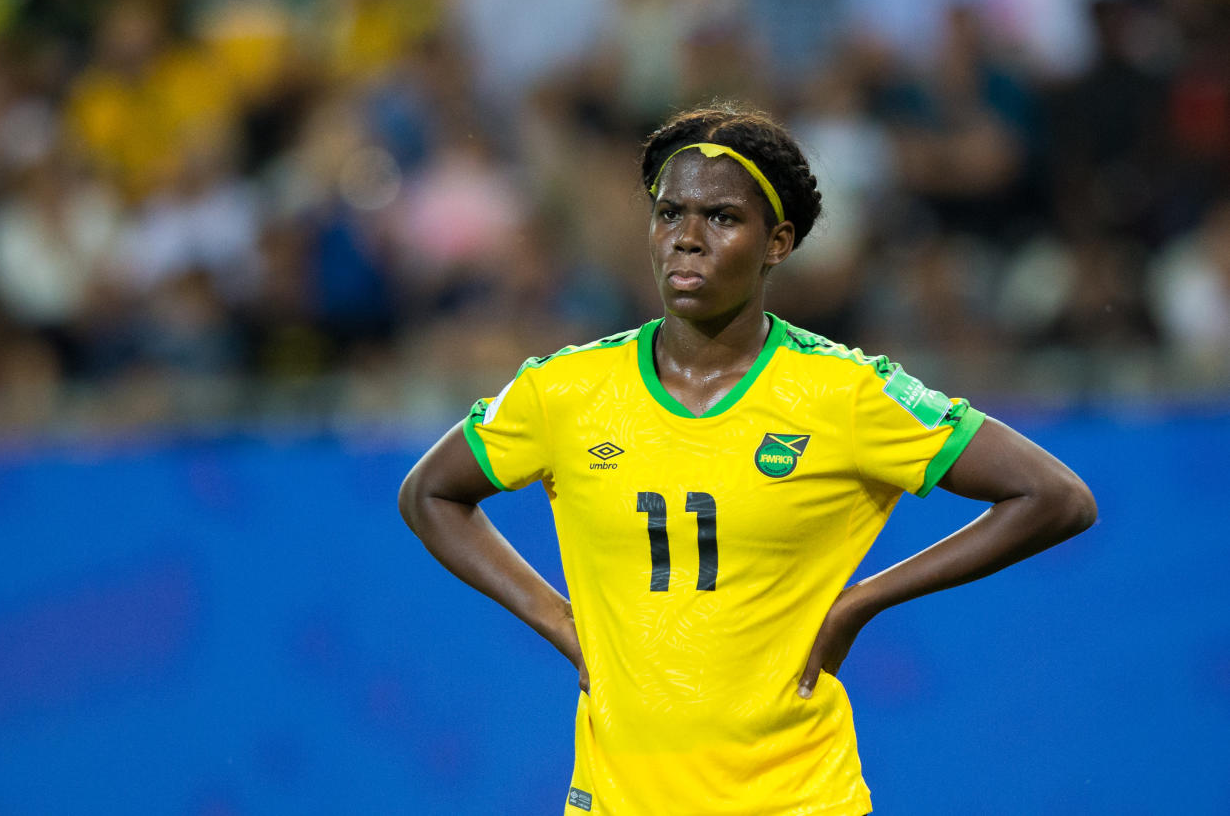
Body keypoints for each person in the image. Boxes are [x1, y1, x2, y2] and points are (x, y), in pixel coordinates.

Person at [398, 103, 1097, 815]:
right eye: (670, 215)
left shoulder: (847, 391)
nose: (688, 240)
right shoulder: (566, 389)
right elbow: (429, 494)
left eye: (722, 219)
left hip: (796, 797)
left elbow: (1054, 497)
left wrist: (862, 602)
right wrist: (558, 621)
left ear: (777, 242)